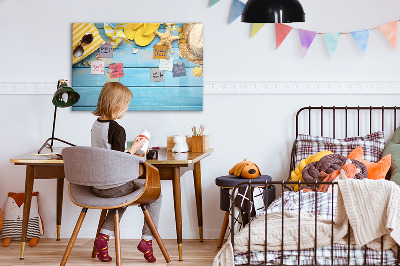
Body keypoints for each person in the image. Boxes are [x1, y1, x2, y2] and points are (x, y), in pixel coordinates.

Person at [91, 82, 161, 263]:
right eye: (126, 105)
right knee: (156, 194)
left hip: (97, 186)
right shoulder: (117, 129)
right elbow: (119, 161)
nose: (126, 110)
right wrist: (136, 148)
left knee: (121, 197)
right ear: (117, 105)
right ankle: (147, 240)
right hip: (114, 186)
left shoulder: (96, 125)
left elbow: (108, 154)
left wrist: (130, 149)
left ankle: (103, 238)